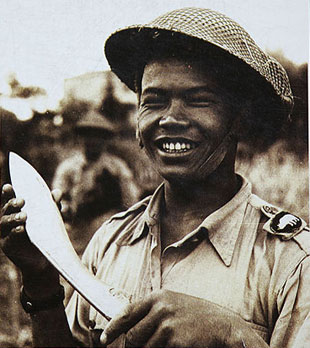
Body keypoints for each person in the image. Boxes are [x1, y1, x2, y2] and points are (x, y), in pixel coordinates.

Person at [1, 7, 309, 348]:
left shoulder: (291, 260)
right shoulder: (109, 243)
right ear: (137, 125)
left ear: (238, 119)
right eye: (154, 101)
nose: (170, 118)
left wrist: (231, 334)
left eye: (198, 100)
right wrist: (42, 282)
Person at [52, 110, 140, 253]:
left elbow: (132, 203)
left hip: (110, 239)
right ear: (81, 138)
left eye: (98, 136)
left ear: (105, 139)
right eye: (88, 135)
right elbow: (57, 199)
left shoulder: (116, 168)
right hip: (77, 238)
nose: (92, 141)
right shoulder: (68, 168)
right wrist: (70, 208)